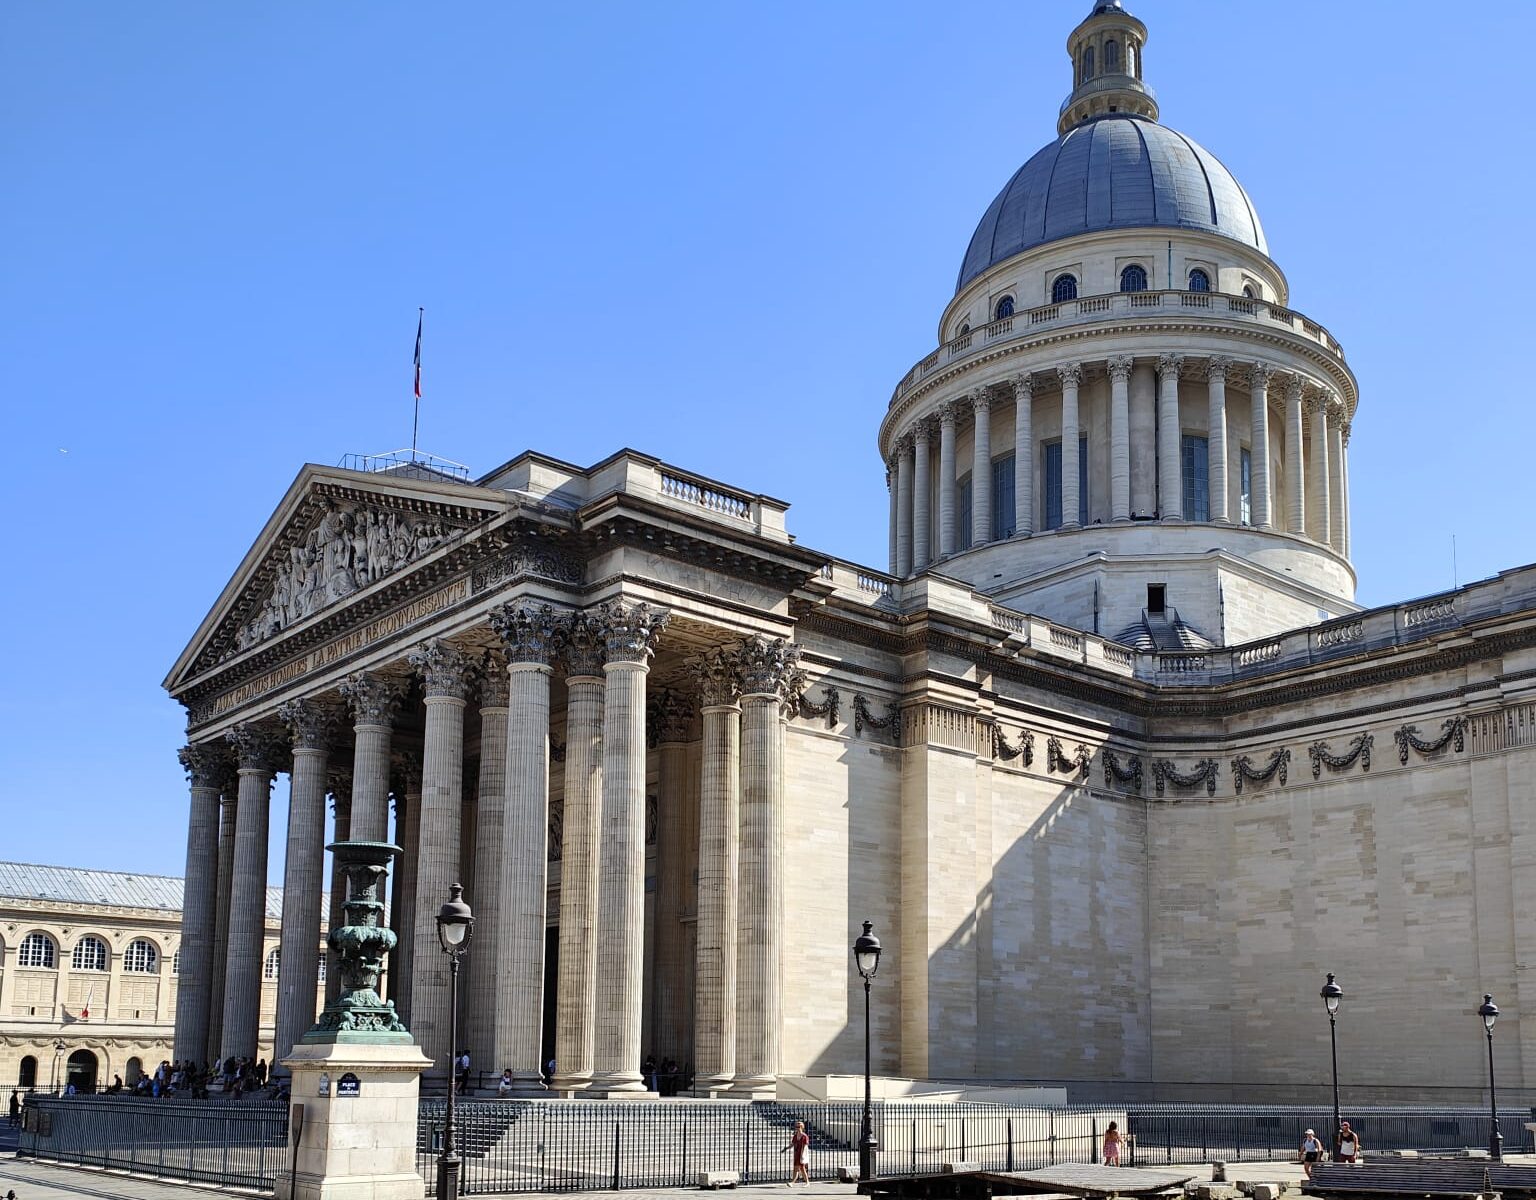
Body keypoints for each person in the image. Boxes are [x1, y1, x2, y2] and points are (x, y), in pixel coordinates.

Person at [784, 1120, 811, 1186]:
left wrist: (802, 1155)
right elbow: (792, 1144)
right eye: (796, 1126)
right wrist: (786, 1148)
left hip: (801, 1154)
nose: (797, 1128)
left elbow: (804, 1147)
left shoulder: (804, 1136)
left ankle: (795, 1182)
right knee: (797, 1169)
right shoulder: (795, 1136)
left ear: (802, 1127)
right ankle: (805, 1182)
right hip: (796, 1154)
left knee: (802, 1168)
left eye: (798, 1126)